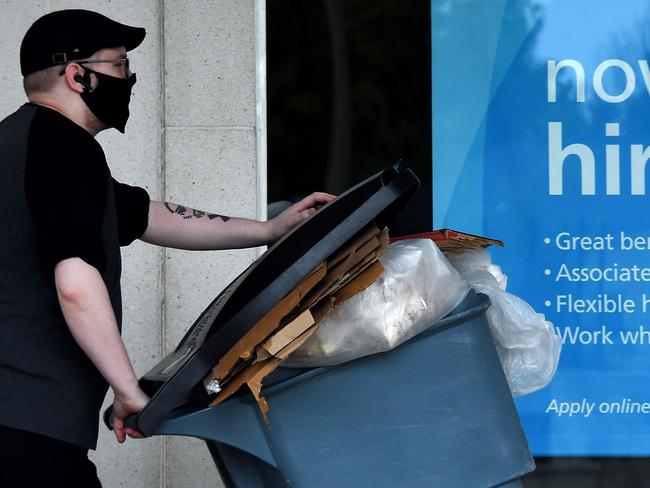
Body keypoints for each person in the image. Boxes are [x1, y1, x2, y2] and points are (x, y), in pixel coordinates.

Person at [0, 9, 334, 487]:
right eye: (119, 65)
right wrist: (127, 387)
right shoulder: (65, 148)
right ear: (78, 76)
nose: (129, 78)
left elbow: (150, 216)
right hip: (26, 429)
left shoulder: (20, 145)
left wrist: (268, 229)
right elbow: (75, 283)